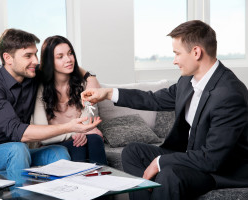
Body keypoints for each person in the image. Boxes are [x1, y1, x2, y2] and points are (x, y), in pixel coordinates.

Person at [81, 20, 248, 200]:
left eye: (177, 54)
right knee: (132, 152)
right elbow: (153, 99)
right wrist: (107, 93)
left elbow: (211, 159)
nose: (174, 61)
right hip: (190, 155)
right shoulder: (188, 81)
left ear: (196, 52)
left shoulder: (229, 95)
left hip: (220, 169)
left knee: (170, 175)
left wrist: (161, 162)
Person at [0, 29, 102, 175]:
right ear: (8, 58)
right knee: (18, 149)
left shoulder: (31, 73)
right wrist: (70, 127)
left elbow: (65, 65)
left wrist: (89, 76)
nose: (36, 61)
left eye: (36, 53)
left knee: (59, 152)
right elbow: (18, 132)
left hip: (20, 151)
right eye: (28, 56)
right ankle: (22, 197)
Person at [31, 35, 107, 165]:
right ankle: (81, 184)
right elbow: (42, 134)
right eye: (60, 57)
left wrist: (91, 77)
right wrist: (75, 132)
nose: (68, 59)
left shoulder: (83, 84)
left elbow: (88, 119)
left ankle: (105, 182)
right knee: (79, 144)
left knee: (94, 139)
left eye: (70, 53)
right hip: (53, 142)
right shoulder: (40, 88)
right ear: (50, 61)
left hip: (80, 137)